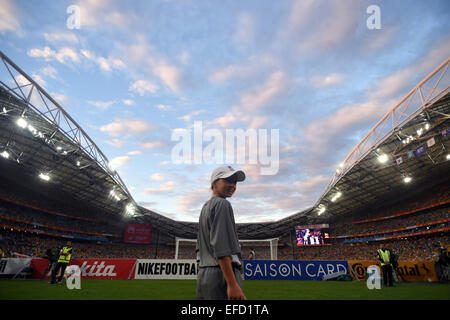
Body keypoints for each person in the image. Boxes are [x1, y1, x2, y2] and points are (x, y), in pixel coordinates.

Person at [196, 165, 246, 300]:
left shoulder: (205, 207)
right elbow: (221, 247)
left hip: (204, 275)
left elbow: (199, 250)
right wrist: (232, 283)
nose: (232, 185)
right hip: (222, 275)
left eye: (234, 182)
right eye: (228, 180)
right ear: (214, 183)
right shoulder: (222, 204)